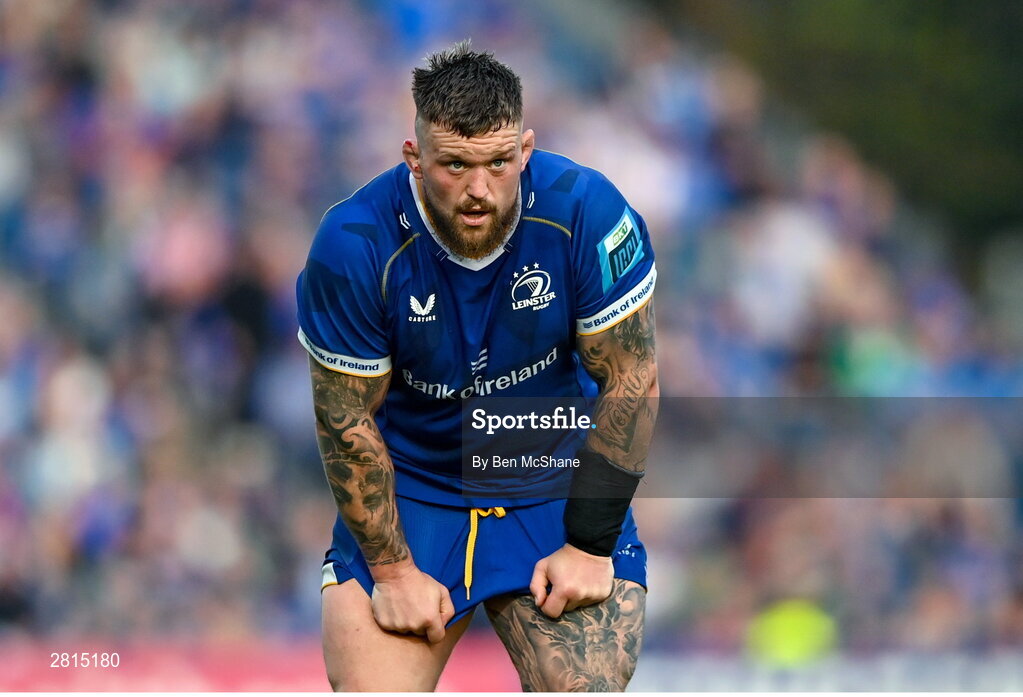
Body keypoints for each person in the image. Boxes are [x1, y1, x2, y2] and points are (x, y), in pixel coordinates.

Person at [296, 40, 658, 692]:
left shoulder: (585, 213)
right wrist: (394, 570)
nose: (478, 190)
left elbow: (631, 378)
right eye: (454, 166)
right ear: (414, 158)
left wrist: (588, 543)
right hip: (412, 487)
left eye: (498, 163)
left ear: (524, 150)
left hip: (546, 477)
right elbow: (344, 417)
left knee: (585, 685)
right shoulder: (354, 245)